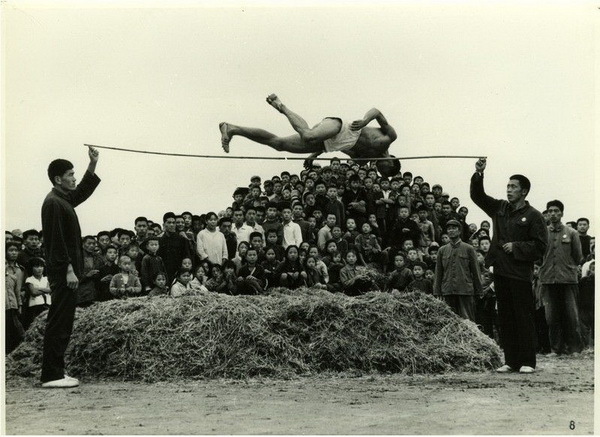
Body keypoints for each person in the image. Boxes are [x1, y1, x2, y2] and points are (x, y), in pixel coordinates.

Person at [470, 158, 547, 374]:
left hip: (521, 274)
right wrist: (479, 174)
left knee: (524, 317)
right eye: (507, 186)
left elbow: (541, 246)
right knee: (505, 317)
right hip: (501, 271)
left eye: (513, 187)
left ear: (524, 192)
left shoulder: (534, 216)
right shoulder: (499, 208)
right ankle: (511, 361)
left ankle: (528, 362)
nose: (508, 190)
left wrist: (517, 247)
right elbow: (478, 196)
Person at [219, 94, 401, 177]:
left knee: (278, 144)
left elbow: (344, 149)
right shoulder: (389, 138)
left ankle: (233, 129)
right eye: (382, 169)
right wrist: (365, 121)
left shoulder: (363, 161)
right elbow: (377, 112)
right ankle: (281, 106)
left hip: (332, 144)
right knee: (308, 136)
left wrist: (315, 154)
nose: (377, 168)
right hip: (343, 128)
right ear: (391, 161)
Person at [40, 146, 100, 388]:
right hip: (64, 273)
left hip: (68, 272)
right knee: (59, 322)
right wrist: (68, 270)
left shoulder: (63, 199)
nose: (74, 178)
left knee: (63, 321)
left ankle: (55, 371)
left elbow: (82, 192)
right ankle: (51, 375)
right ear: (58, 179)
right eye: (71, 175)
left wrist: (92, 164)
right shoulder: (53, 202)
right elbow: (55, 241)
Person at [539, 200, 584, 355]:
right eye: (550, 210)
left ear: (562, 213)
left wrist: (568, 267)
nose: (553, 213)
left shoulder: (572, 233)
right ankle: (555, 349)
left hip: (568, 280)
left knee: (571, 315)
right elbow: (538, 257)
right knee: (551, 317)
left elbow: (578, 257)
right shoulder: (542, 233)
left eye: (556, 210)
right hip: (548, 280)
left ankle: (575, 348)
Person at [433, 220, 482, 322]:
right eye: (449, 229)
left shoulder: (469, 249)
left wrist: (478, 291)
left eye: (454, 228)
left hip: (465, 290)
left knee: (468, 322)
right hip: (448, 291)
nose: (451, 231)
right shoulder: (442, 250)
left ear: (459, 231)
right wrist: (437, 291)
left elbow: (476, 272)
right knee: (449, 321)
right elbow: (438, 273)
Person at [158, 212, 192, 283]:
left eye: (173, 223)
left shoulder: (182, 240)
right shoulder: (159, 240)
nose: (171, 225)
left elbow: (187, 257)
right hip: (164, 274)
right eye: (169, 222)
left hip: (179, 274)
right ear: (164, 224)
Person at [6, 241, 25, 354]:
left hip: (12, 303)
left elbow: (18, 289)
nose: (13, 253)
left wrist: (20, 304)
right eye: (10, 250)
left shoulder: (19, 270)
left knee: (14, 330)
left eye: (15, 250)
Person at [23, 257, 52, 330]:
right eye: (36, 266)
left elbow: (50, 290)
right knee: (36, 325)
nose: (39, 269)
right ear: (31, 268)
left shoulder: (46, 279)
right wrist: (45, 290)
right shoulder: (30, 279)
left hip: (47, 304)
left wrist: (39, 288)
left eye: (41, 266)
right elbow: (34, 292)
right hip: (35, 306)